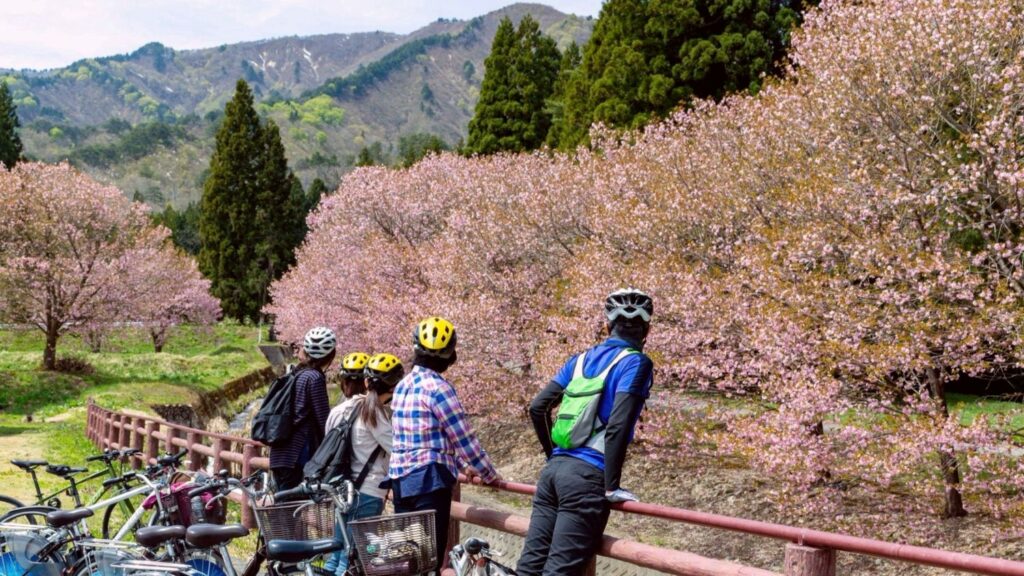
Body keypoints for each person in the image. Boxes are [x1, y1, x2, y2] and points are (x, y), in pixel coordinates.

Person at [516, 289, 655, 576]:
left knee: (529, 568)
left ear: (607, 326)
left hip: (554, 473)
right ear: (647, 331)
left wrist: (552, 455)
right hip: (588, 477)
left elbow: (538, 407)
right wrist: (611, 486)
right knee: (559, 572)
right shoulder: (635, 363)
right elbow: (618, 426)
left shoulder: (579, 360)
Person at [389, 316, 501, 571]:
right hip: (429, 480)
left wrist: (460, 465)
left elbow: (424, 437)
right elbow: (464, 439)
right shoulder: (439, 388)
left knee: (408, 559)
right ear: (450, 354)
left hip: (400, 479)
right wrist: (489, 474)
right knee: (429, 559)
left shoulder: (402, 386)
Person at [323, 352, 404, 576]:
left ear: (366, 381)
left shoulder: (346, 409)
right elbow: (397, 448)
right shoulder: (375, 412)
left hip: (342, 490)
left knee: (337, 556)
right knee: (354, 559)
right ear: (393, 387)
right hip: (366, 492)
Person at [269, 326, 336, 491]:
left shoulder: (296, 373)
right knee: (294, 510)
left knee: (283, 509)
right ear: (331, 355)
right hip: (298, 456)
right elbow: (324, 421)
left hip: (280, 453)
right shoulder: (314, 378)